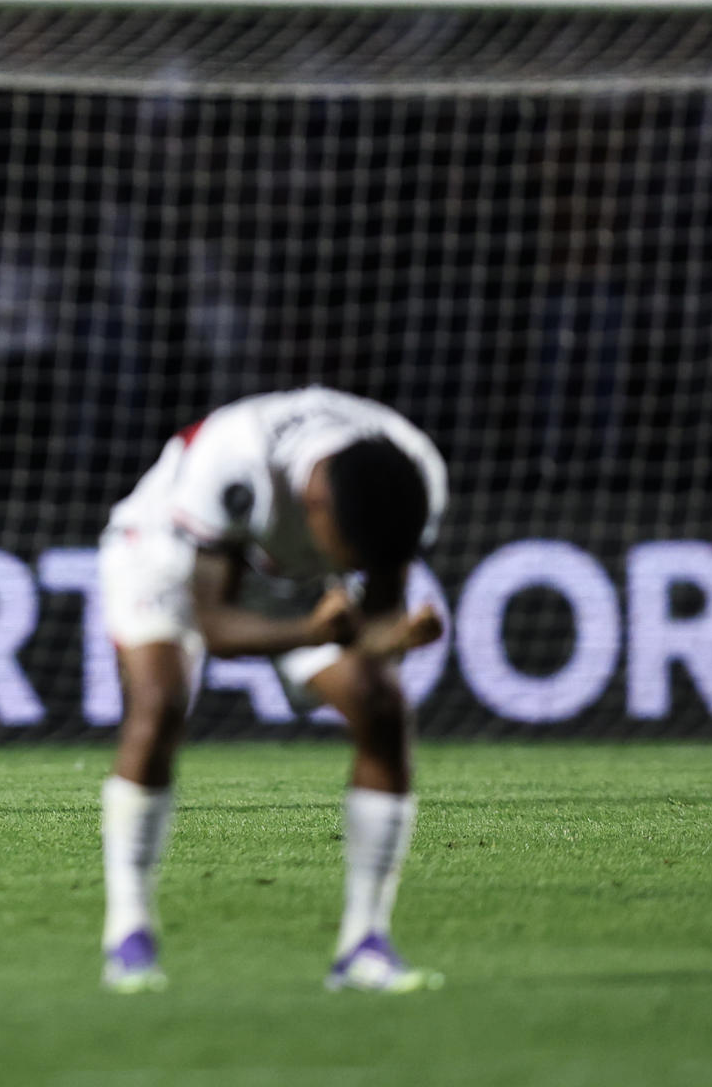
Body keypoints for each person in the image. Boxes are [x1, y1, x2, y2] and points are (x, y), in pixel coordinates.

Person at [96, 386, 448, 992]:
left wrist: (390, 639)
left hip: (294, 575)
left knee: (382, 707)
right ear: (314, 504)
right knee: (159, 705)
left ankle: (364, 946)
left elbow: (377, 607)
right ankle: (128, 934)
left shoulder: (410, 472)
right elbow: (213, 624)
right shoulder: (234, 463)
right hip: (166, 549)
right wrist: (311, 631)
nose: (364, 564)